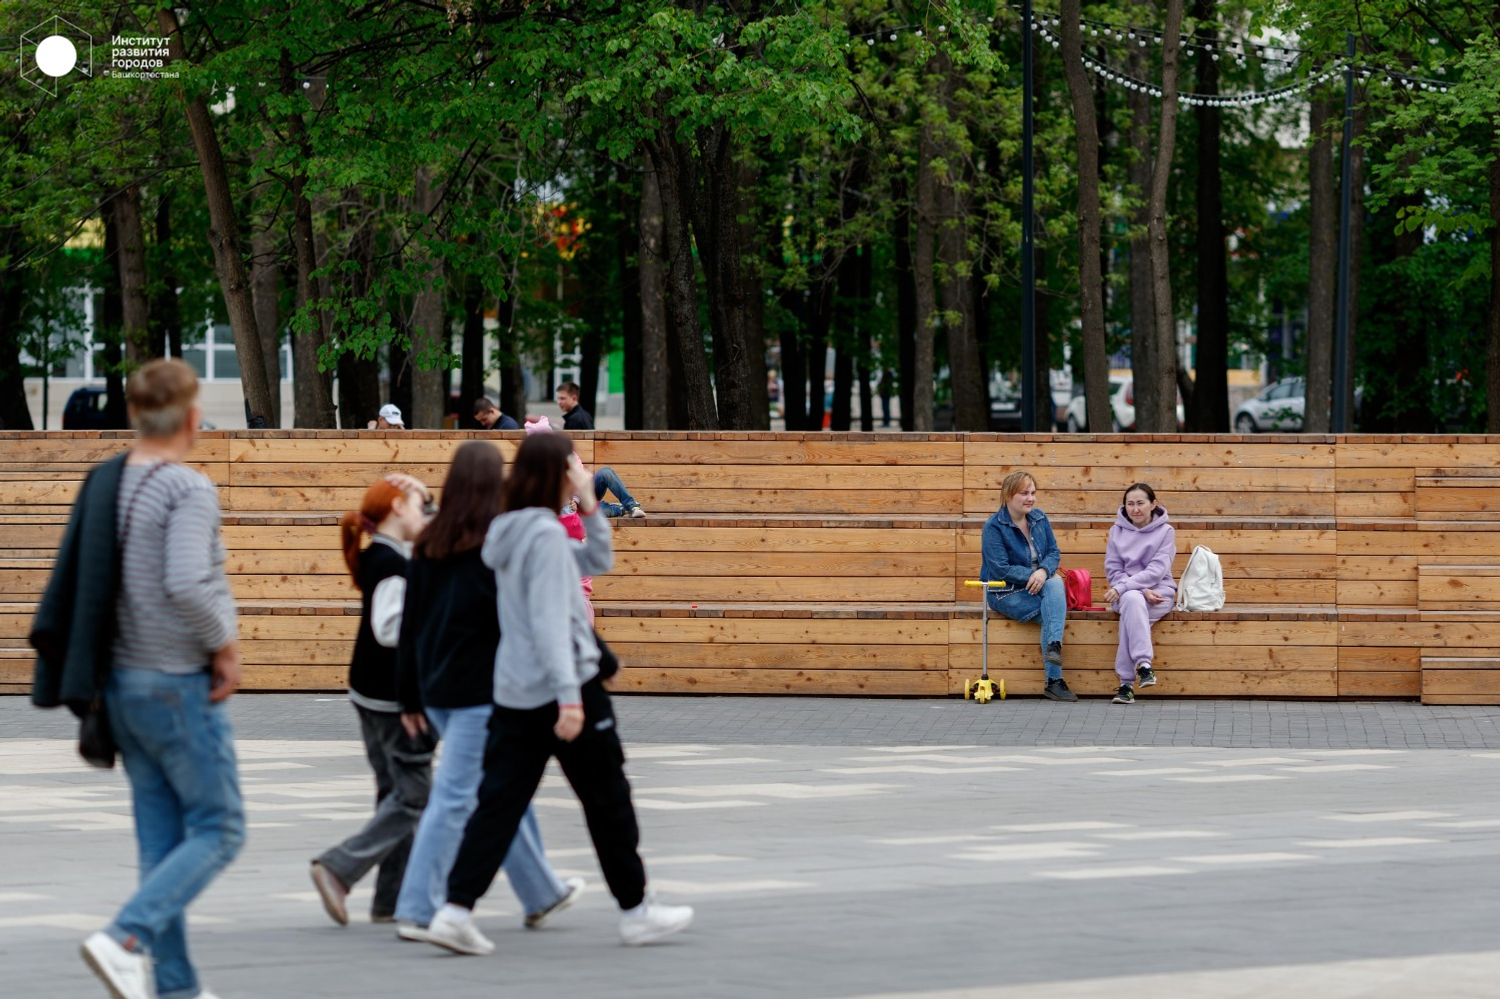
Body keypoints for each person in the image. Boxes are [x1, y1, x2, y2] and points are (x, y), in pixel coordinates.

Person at [422, 432, 693, 955]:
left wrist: (590, 504)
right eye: (574, 466)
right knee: (608, 800)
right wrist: (570, 698)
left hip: (516, 692)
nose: (581, 472)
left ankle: (454, 911)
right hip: (566, 689)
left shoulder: (510, 529)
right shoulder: (544, 536)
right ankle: (636, 911)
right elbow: (550, 620)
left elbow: (597, 559)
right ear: (557, 474)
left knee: (499, 804)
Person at [33, 358, 244, 999]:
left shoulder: (108, 480)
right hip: (176, 684)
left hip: (120, 686)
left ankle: (176, 987)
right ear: (192, 417)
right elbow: (187, 582)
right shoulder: (186, 488)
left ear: (133, 414)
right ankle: (126, 935)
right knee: (221, 828)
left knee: (161, 841)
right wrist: (226, 644)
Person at [383, 442, 583, 941]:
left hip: (437, 687)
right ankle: (417, 907)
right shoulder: (498, 544)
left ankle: (541, 892)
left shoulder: (430, 541)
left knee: (499, 788)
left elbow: (411, 625)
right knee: (457, 797)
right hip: (483, 690)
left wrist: (408, 696)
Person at [309, 474, 436, 926]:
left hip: (371, 693)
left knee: (395, 796)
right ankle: (339, 868)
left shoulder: (384, 555)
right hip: (393, 699)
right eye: (423, 504)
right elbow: (390, 629)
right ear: (398, 508)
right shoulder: (392, 564)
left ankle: (390, 901)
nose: (428, 513)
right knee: (414, 795)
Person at [981, 469, 1075, 702]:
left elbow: (1053, 552)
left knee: (1054, 583)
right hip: (1005, 591)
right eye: (1024, 493)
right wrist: (1036, 575)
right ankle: (1054, 681)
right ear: (1008, 495)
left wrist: (1043, 572)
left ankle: (1054, 647)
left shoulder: (1039, 518)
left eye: (1033, 493)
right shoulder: (993, 526)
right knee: (1052, 610)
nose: (1030, 498)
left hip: (1040, 585)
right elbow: (1000, 569)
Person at [1103, 483, 1176, 705]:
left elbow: (1157, 570)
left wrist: (1131, 588)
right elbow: (1114, 570)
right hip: (1128, 593)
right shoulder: (1116, 531)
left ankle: (1126, 684)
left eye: (1141, 503)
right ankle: (1144, 665)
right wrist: (1140, 590)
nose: (1135, 509)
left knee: (1131, 611)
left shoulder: (1166, 531)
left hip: (1159, 593)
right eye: (1130, 504)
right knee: (1133, 601)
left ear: (1153, 504)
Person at [528, 414, 646, 519]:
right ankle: (620, 508)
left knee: (606, 472)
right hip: (570, 507)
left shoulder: (566, 453)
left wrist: (576, 499)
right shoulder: (535, 467)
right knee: (596, 511)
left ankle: (632, 506)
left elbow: (578, 476)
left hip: (584, 490)